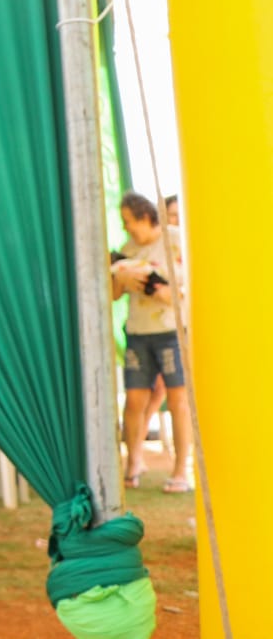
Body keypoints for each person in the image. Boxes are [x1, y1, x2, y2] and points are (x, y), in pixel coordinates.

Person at [111, 191, 191, 493]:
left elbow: (190, 280)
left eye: (128, 221)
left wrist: (163, 290)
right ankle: (134, 462)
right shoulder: (127, 248)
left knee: (178, 399)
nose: (126, 227)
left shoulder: (175, 239)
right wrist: (120, 277)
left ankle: (181, 469)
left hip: (171, 330)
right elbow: (114, 294)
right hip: (138, 332)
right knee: (134, 399)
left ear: (145, 217)